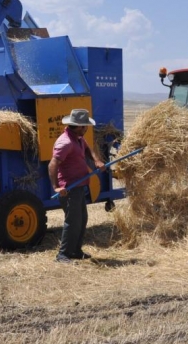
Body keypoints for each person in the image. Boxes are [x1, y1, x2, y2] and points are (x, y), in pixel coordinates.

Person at [48, 109, 105, 263]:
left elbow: (87, 149)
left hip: (79, 185)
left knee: (82, 220)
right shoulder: (65, 142)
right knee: (72, 221)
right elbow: (52, 164)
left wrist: (97, 161)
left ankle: (75, 251)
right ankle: (63, 255)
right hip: (69, 188)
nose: (87, 128)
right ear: (79, 126)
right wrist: (56, 187)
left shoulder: (78, 138)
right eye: (85, 126)